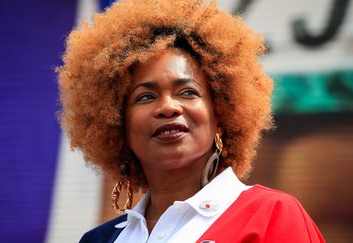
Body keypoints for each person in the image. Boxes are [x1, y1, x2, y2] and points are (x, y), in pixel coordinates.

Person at [57, 0, 325, 242]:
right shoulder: (97, 241)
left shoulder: (272, 215)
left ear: (221, 113)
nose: (168, 107)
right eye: (146, 96)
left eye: (188, 92)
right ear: (118, 126)